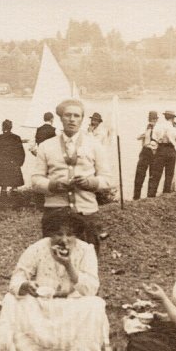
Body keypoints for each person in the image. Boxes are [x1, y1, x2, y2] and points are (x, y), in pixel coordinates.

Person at [0, 213, 109, 351]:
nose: (64, 240)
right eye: (58, 234)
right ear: (50, 234)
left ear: (77, 235)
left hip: (72, 304)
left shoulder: (86, 250)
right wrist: (25, 286)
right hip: (42, 304)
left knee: (95, 304)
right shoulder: (38, 248)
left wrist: (68, 265)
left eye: (70, 234)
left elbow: (91, 289)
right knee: (11, 301)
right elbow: (17, 277)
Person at [33, 98, 112, 253]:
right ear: (60, 118)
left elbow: (108, 180)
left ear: (82, 119)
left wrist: (90, 183)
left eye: (77, 116)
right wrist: (54, 185)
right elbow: (36, 180)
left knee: (87, 262)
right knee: (53, 262)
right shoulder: (46, 146)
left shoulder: (94, 145)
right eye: (68, 115)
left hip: (86, 213)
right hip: (55, 213)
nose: (72, 119)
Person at [149, 110, 176, 196]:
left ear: (165, 116)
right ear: (172, 118)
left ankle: (151, 194)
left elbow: (154, 137)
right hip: (171, 150)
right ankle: (166, 193)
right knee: (169, 173)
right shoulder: (174, 127)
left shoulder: (158, 125)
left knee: (156, 173)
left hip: (161, 148)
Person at [0, 119, 26, 196]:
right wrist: (19, 163)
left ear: (3, 127)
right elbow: (21, 153)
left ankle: (3, 201)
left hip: (1, 165)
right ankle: (14, 197)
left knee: (3, 187)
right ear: (11, 127)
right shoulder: (16, 137)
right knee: (15, 185)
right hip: (14, 164)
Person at [133, 111, 158, 200]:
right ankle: (136, 196)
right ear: (149, 119)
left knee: (153, 174)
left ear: (157, 120)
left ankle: (150, 196)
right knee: (140, 174)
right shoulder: (145, 127)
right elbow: (138, 137)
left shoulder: (159, 128)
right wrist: (146, 131)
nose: (153, 121)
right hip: (145, 151)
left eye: (154, 119)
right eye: (151, 119)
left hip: (154, 152)